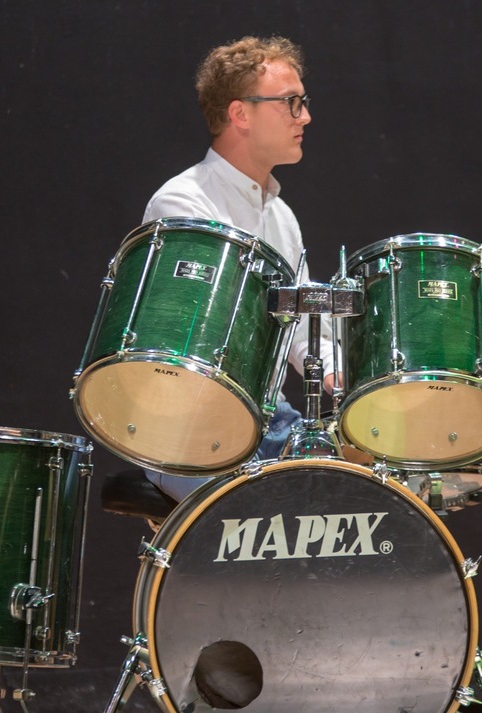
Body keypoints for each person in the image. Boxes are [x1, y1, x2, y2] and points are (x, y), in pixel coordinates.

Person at [141, 35, 338, 501]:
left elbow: (303, 329)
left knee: (365, 493)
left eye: (303, 103)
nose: (305, 117)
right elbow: (201, 343)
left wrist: (343, 375)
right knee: (276, 515)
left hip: (270, 419)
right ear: (240, 114)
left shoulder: (281, 216)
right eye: (290, 103)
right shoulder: (184, 203)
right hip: (191, 427)